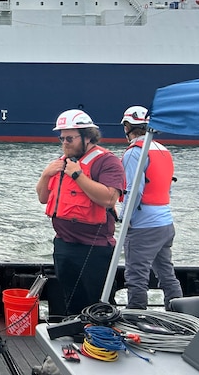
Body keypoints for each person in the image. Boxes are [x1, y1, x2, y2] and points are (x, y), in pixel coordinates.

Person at [36, 109, 125, 316]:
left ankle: (100, 343)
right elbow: (43, 197)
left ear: (87, 136)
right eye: (62, 138)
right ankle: (75, 338)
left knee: (98, 304)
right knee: (71, 301)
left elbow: (109, 198)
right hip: (64, 245)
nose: (64, 143)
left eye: (70, 138)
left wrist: (77, 174)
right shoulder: (61, 162)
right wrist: (45, 174)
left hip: (94, 248)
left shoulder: (107, 162)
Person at [119, 106, 183, 309]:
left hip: (144, 226)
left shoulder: (134, 153)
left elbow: (133, 190)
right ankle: (180, 314)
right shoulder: (163, 151)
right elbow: (166, 187)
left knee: (136, 275)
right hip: (165, 222)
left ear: (128, 127)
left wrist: (124, 217)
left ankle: (136, 318)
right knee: (166, 274)